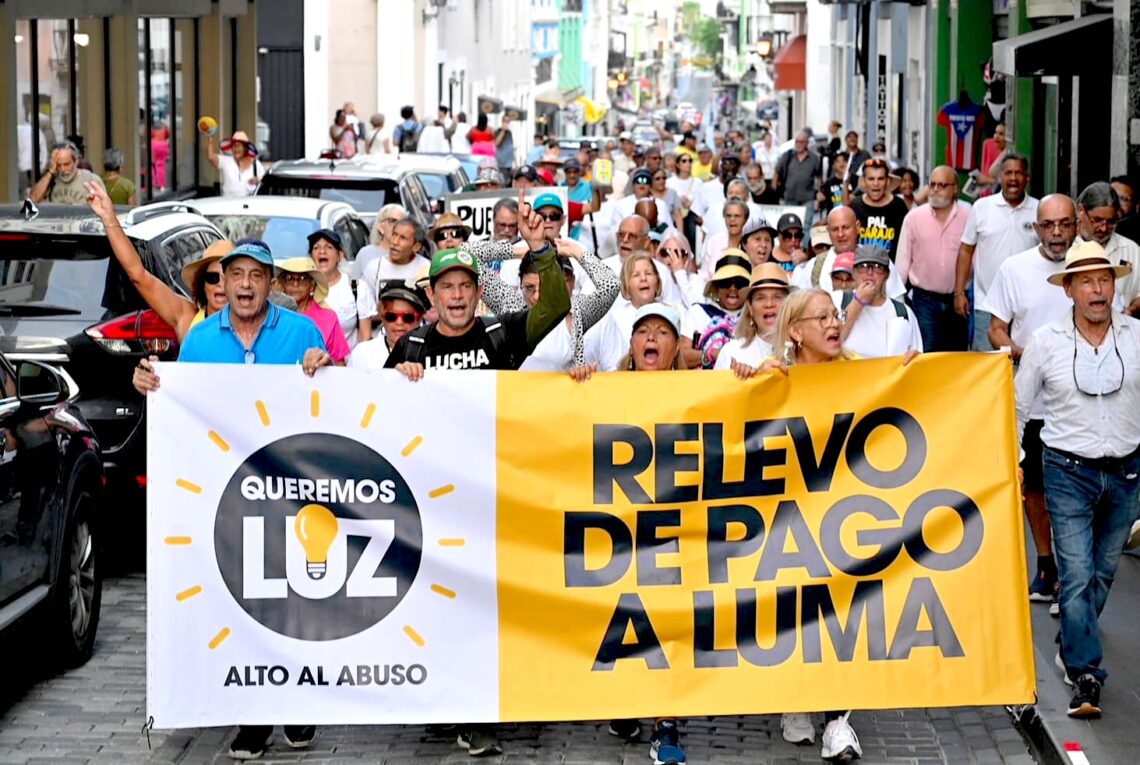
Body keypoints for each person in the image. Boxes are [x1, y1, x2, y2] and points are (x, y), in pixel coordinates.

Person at [1014, 240, 1140, 719]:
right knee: (1077, 574)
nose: (1097, 289)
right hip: (1067, 471)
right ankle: (1086, 674)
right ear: (1068, 289)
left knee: (1104, 571)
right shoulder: (1046, 341)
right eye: (1086, 280)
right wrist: (1016, 457)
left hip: (1127, 472)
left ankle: (1073, 636)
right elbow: (1019, 406)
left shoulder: (1136, 337)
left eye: (1104, 279)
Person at [983, 195, 1080, 609]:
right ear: (1036, 228)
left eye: (1064, 224)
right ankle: (1047, 566)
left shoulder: (1091, 269)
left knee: (1074, 493)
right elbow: (995, 329)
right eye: (1048, 225)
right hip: (1034, 404)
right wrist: (1022, 353)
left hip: (1083, 405)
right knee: (1036, 490)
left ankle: (1074, 575)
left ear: (1076, 227)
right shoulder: (1014, 269)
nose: (1056, 233)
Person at [385, 194, 569, 381]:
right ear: (431, 295)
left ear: (479, 291)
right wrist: (398, 378)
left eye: (465, 285)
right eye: (447, 286)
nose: (457, 295)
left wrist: (538, 247)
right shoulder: (411, 347)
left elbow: (556, 306)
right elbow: (379, 401)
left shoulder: (504, 333)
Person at [85, 180, 230, 340]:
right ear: (202, 284)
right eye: (213, 278)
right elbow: (137, 274)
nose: (220, 284)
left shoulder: (255, 326)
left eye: (228, 277)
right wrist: (109, 218)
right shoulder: (187, 317)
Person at [473, 236, 618, 371]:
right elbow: (465, 254)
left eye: (544, 287)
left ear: (557, 284)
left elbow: (611, 285)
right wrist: (522, 251)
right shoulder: (510, 306)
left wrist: (575, 251)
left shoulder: (575, 314)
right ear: (520, 284)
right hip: (516, 397)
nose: (536, 296)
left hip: (562, 398)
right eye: (529, 288)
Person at [954, 152, 1039, 350]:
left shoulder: (1039, 209)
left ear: (1027, 178)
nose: (1013, 179)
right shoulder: (981, 207)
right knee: (987, 368)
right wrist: (959, 292)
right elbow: (966, 250)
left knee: (1024, 368)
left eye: (1019, 173)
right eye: (1008, 173)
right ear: (1000, 176)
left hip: (1027, 306)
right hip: (987, 305)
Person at [895, 166, 972, 352]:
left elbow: (975, 258)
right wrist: (897, 302)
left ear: (955, 188)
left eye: (942, 185)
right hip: (924, 301)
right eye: (933, 184)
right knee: (926, 352)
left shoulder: (969, 215)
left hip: (959, 300)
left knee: (956, 356)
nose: (935, 190)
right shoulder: (914, 218)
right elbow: (903, 261)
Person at [834, 246, 923, 359]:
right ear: (854, 273)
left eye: (877, 267)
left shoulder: (903, 313)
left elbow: (917, 356)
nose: (870, 273)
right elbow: (830, 341)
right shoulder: (837, 300)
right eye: (863, 267)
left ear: (887, 275)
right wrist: (858, 302)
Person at [357, 218, 432, 341]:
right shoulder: (374, 268)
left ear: (416, 246)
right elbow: (365, 312)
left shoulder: (426, 268)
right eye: (394, 235)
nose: (395, 242)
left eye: (403, 238)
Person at [1073, 181, 1140, 315]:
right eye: (1097, 220)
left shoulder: (1131, 249)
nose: (1104, 228)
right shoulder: (1068, 247)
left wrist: (1131, 310)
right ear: (1081, 211)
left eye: (1111, 222)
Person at [714, 263, 791, 374]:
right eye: (760, 298)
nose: (769, 304)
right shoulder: (732, 352)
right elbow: (718, 391)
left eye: (777, 297)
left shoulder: (804, 350)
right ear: (750, 307)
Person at [274, 257, 351, 365]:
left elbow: (339, 364)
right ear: (282, 284)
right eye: (290, 278)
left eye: (302, 278)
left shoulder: (328, 317)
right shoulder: (273, 315)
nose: (295, 284)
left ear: (312, 286)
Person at [684, 251, 751, 369]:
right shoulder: (698, 312)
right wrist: (711, 354)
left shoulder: (755, 316)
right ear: (716, 286)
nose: (733, 288)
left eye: (740, 283)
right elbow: (682, 357)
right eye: (726, 282)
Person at [348, 280, 427, 369]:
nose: (399, 322)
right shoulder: (362, 354)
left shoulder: (431, 353)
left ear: (420, 318)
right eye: (391, 316)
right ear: (382, 316)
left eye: (408, 317)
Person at [850, 158, 910, 260]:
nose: (876, 183)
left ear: (887, 181)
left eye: (880, 179)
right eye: (871, 179)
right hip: (860, 269)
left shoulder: (899, 206)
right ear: (864, 181)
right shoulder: (854, 206)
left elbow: (907, 242)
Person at [306, 230, 359, 346]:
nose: (322, 251)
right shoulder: (303, 289)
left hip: (348, 363)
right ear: (310, 256)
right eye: (316, 248)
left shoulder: (356, 287)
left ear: (339, 255)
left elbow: (365, 338)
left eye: (329, 247)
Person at [29, 141, 104, 204]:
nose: (62, 169)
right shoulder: (51, 180)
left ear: (75, 162)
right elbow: (34, 199)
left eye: (66, 164)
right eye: (58, 165)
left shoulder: (91, 180)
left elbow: (104, 209)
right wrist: (51, 171)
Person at [773, 131, 822, 224]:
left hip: (808, 197)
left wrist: (819, 195)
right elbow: (777, 172)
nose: (798, 144)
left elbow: (819, 178)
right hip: (790, 197)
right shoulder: (787, 156)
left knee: (807, 224)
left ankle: (805, 239)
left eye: (801, 142)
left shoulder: (814, 158)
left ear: (807, 143)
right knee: (790, 223)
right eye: (797, 142)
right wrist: (774, 193)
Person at [206, 130, 263, 197]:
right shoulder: (225, 160)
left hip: (248, 204)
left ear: (245, 148)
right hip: (227, 202)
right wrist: (210, 139)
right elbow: (211, 157)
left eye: (239, 146)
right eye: (234, 146)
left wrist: (257, 181)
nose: (236, 149)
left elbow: (264, 182)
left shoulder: (255, 164)